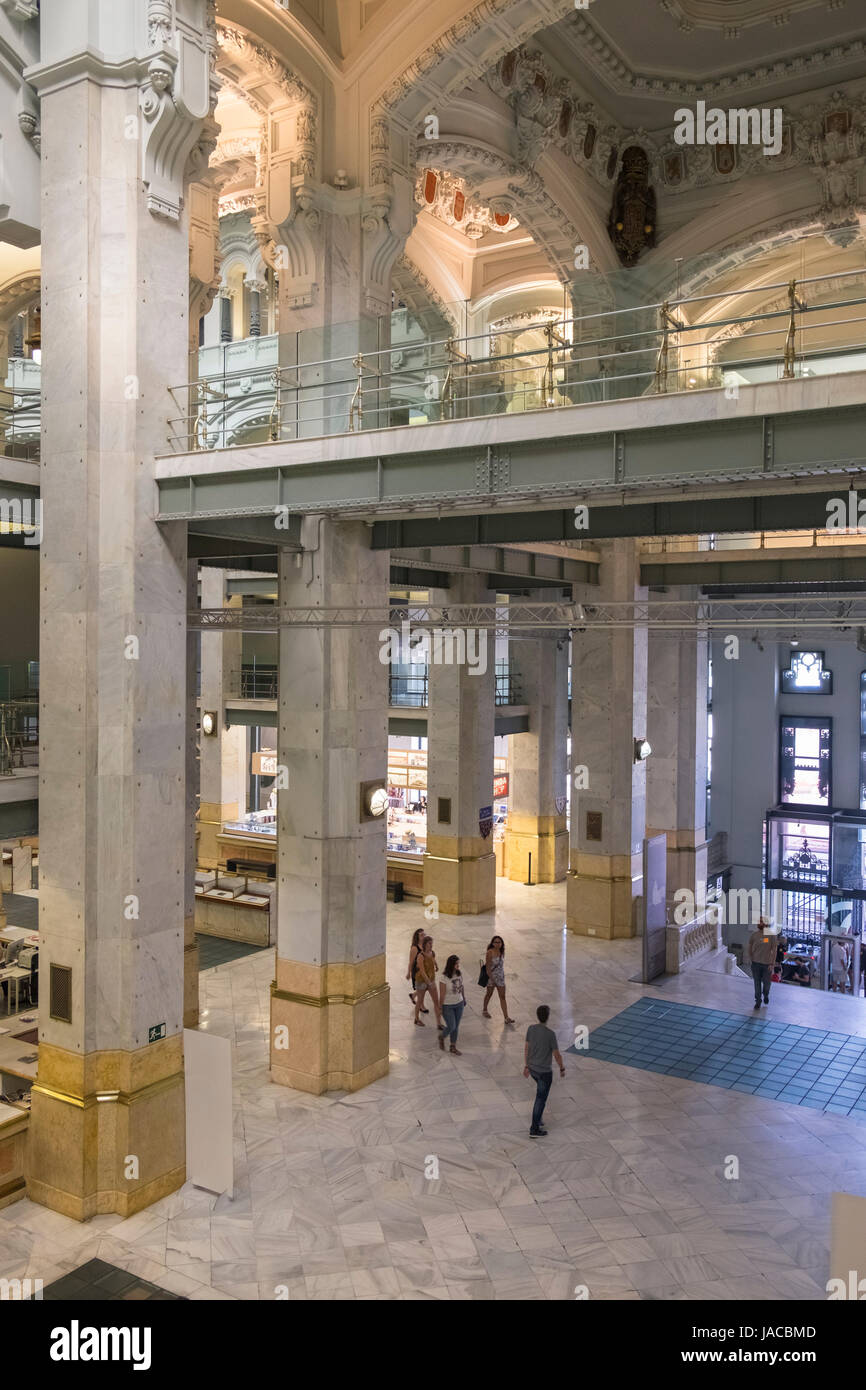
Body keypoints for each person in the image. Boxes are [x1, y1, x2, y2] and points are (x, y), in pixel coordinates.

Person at [523, 1005, 565, 1137]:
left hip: (533, 1069)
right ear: (547, 1017)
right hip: (544, 1073)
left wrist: (526, 1066)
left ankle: (538, 1118)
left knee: (540, 1094)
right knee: (540, 1099)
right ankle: (534, 1129)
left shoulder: (531, 1029)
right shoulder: (550, 1034)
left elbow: (526, 1048)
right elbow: (557, 1054)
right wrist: (562, 1068)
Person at [745, 916, 779, 1007]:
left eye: (761, 921)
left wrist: (772, 963)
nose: (759, 923)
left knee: (767, 984)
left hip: (767, 964)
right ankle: (758, 1001)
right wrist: (750, 957)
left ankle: (766, 994)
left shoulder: (772, 936)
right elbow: (750, 946)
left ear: (766, 923)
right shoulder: (754, 935)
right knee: (757, 982)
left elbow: (774, 950)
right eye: (758, 921)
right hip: (755, 963)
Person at [482, 935, 515, 1024]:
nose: (497, 944)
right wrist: (492, 979)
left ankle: (506, 1017)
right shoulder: (490, 952)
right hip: (491, 978)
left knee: (502, 996)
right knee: (489, 994)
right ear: (492, 943)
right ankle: (485, 1009)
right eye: (496, 942)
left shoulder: (502, 951)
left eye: (499, 942)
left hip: (500, 977)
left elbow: (501, 966)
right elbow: (488, 968)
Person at [438, 954, 466, 1055]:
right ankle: (442, 1036)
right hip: (448, 1005)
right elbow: (442, 994)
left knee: (456, 1026)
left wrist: (464, 998)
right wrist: (439, 1007)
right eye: (456, 964)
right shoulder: (443, 978)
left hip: (459, 1003)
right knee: (451, 1026)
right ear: (451, 964)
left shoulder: (459, 974)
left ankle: (453, 1046)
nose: (458, 965)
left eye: (458, 963)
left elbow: (461, 986)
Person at [414, 935, 442, 1027]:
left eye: (432, 943)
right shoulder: (420, 956)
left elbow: (433, 959)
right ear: (425, 944)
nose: (431, 945)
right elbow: (422, 971)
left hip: (431, 980)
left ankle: (439, 1023)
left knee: (436, 1002)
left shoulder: (432, 952)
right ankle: (417, 1019)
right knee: (420, 1001)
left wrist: (436, 966)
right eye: (430, 943)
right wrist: (428, 982)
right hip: (421, 982)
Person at [406, 927, 426, 1010]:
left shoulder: (425, 946)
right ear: (417, 937)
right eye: (421, 935)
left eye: (424, 934)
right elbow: (411, 962)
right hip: (417, 972)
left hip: (424, 970)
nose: (424, 936)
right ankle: (421, 1006)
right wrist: (408, 973)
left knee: (424, 988)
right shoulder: (414, 948)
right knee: (422, 989)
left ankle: (413, 995)